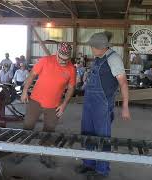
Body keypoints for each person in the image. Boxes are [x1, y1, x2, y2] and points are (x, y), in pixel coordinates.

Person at [77, 32, 130, 178]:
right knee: (87, 133)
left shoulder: (114, 59)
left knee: (102, 137)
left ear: (101, 47)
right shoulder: (99, 58)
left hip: (102, 103)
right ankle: (88, 164)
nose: (91, 49)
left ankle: (102, 170)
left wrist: (125, 106)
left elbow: (123, 83)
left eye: (93, 47)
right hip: (89, 101)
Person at [21, 42, 76, 167]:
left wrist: (63, 105)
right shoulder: (45, 60)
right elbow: (32, 75)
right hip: (35, 101)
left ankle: (45, 155)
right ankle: (21, 151)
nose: (63, 62)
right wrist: (25, 91)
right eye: (61, 59)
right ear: (57, 54)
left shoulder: (71, 69)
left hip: (54, 106)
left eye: (66, 60)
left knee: (49, 132)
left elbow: (71, 88)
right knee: (27, 127)